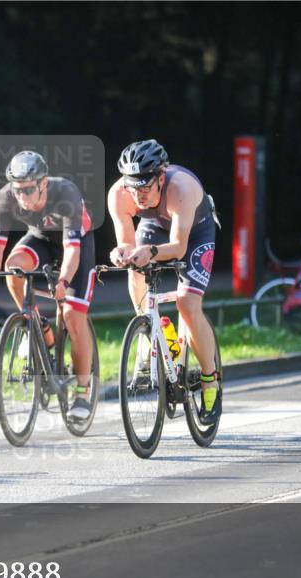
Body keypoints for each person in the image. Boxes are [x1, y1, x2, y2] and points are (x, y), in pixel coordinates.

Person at [0, 151, 97, 422]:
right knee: (14, 266)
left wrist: (63, 281)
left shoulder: (65, 193)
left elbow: (72, 249)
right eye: (18, 191)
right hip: (40, 239)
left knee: (73, 316)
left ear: (43, 183)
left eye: (29, 190)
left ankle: (82, 393)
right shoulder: (5, 198)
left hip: (75, 246)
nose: (23, 197)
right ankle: (35, 322)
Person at [107, 139, 222, 424]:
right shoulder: (119, 194)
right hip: (155, 227)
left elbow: (179, 248)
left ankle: (210, 381)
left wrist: (152, 252)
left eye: (145, 187)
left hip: (194, 232)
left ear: (161, 176)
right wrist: (122, 253)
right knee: (135, 267)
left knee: (187, 303)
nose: (138, 195)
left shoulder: (182, 188)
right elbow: (126, 241)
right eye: (132, 187)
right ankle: (151, 328)